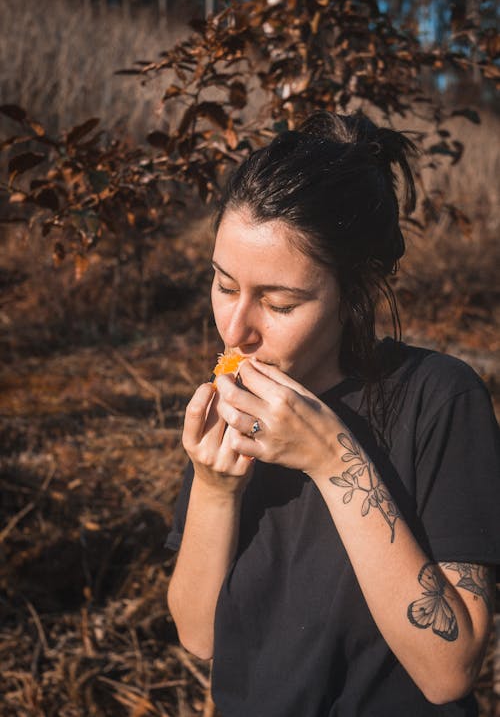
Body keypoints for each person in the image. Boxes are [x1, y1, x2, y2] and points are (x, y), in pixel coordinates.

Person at [165, 111, 500, 716]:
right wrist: (214, 490)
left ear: (358, 292)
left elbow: (450, 672)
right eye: (223, 285)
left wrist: (332, 459)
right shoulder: (235, 405)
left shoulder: (440, 398)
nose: (236, 328)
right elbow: (199, 636)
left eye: (279, 301)